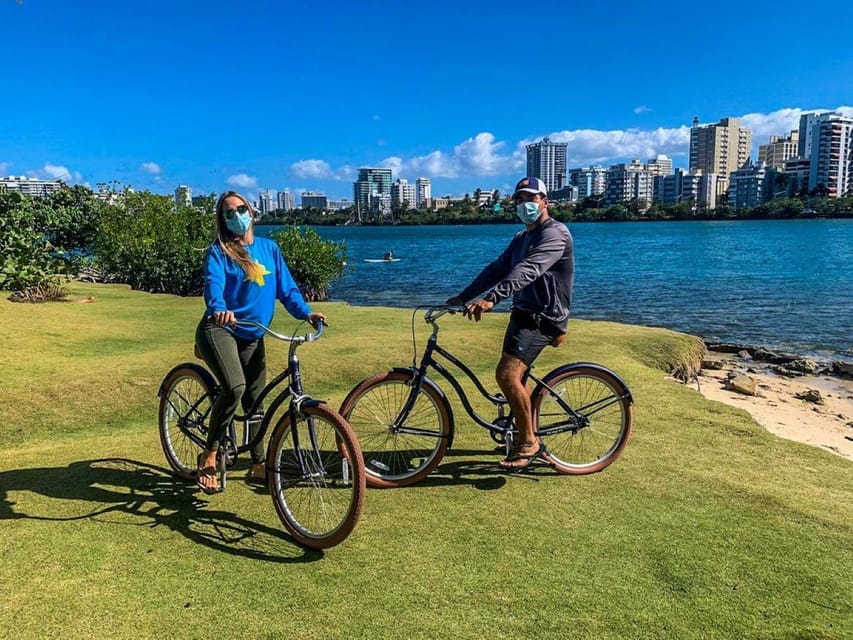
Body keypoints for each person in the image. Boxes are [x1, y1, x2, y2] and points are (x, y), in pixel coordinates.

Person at [194, 191, 326, 494]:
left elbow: (287, 289)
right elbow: (213, 286)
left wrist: (306, 313)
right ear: (223, 220)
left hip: (253, 334)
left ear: (252, 211)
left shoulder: (270, 249)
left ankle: (258, 464)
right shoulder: (219, 252)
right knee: (235, 387)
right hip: (220, 328)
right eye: (229, 213)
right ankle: (210, 454)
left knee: (256, 401)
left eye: (241, 209)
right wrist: (218, 309)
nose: (236, 215)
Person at [447, 176, 574, 471]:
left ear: (545, 201)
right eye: (520, 199)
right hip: (523, 313)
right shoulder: (521, 238)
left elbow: (529, 270)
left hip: (544, 317)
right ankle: (520, 431)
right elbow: (498, 268)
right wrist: (463, 296)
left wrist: (492, 299)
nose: (525, 204)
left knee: (506, 375)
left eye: (531, 198)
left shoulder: (556, 234)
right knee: (516, 379)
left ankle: (530, 441)